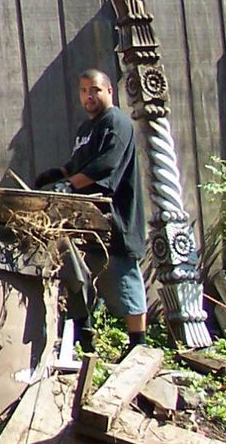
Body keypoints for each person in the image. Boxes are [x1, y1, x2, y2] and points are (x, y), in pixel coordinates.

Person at [59, 69, 148, 350]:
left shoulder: (117, 122)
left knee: (124, 281)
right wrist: (56, 178)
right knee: (77, 281)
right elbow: (77, 166)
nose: (89, 95)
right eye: (84, 90)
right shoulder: (86, 129)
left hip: (115, 221)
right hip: (85, 222)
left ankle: (138, 346)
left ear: (109, 91)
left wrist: (70, 185)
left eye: (95, 89)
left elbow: (105, 166)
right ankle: (86, 345)